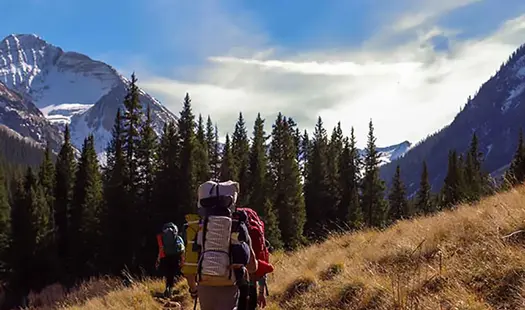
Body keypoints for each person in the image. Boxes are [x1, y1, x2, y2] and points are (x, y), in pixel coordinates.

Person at [194, 180, 259, 310]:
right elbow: (252, 267)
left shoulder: (201, 228)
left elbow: (192, 262)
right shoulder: (238, 227)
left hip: (204, 285)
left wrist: (192, 288)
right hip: (229, 285)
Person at [156, 222, 185, 298]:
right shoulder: (178, 238)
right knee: (173, 273)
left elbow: (161, 248)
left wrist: (158, 259)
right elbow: (182, 249)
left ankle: (167, 288)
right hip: (175, 256)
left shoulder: (162, 237)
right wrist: (182, 260)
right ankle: (171, 290)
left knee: (168, 273)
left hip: (166, 256)